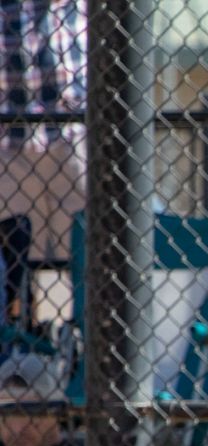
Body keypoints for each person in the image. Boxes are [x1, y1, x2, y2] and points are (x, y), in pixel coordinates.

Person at [0, 0, 87, 327]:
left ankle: (86, 335)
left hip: (70, 130)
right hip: (8, 137)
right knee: (16, 256)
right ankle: (18, 340)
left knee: (83, 244)